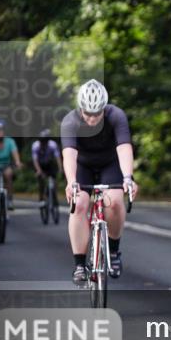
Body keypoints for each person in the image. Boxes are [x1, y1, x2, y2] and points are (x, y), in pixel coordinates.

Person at [61, 79, 138, 284]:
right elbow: (69, 154)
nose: (93, 119)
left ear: (105, 108)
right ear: (80, 109)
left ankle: (113, 251)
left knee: (114, 200)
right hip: (83, 165)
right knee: (79, 204)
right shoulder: (70, 121)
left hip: (109, 164)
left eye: (97, 113)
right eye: (88, 113)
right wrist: (71, 182)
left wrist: (128, 178)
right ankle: (79, 264)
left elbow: (123, 147)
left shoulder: (116, 116)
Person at [31, 128, 63, 208]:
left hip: (49, 164)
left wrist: (60, 168)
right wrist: (38, 170)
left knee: (54, 178)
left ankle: (54, 194)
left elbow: (57, 157)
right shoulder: (36, 146)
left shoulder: (52, 145)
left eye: (45, 141)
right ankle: (41, 198)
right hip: (39, 164)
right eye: (42, 141)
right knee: (41, 180)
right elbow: (35, 160)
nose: (44, 143)